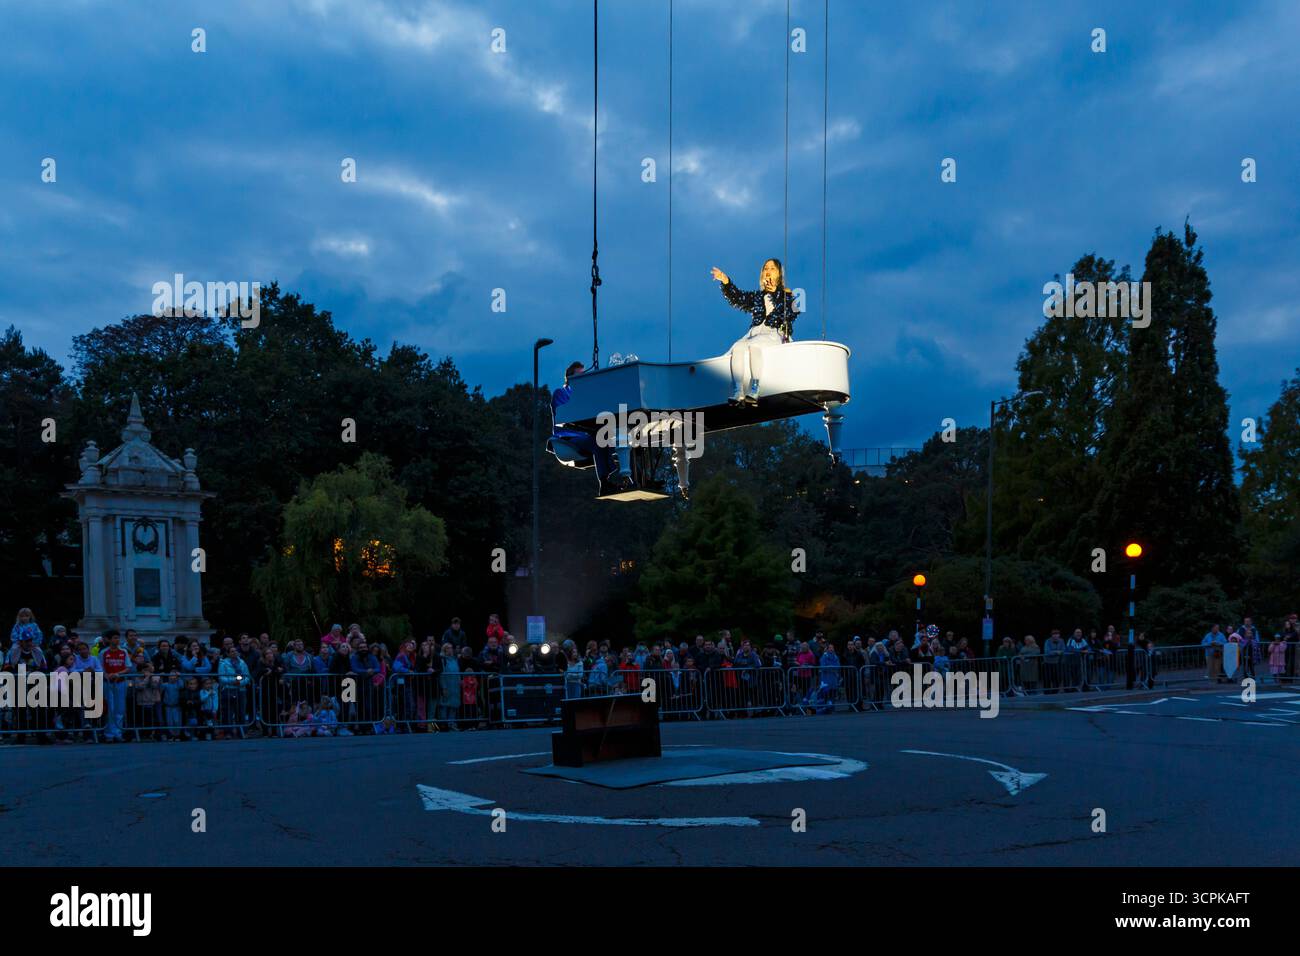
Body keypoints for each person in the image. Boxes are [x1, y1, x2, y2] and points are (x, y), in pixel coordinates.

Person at [711, 258, 799, 404]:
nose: (768, 271)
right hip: (755, 333)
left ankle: (755, 388)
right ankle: (738, 391)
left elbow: (793, 313)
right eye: (765, 268)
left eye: (772, 268)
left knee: (755, 346)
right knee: (738, 346)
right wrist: (726, 281)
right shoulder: (758, 296)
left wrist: (778, 294)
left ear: (779, 274)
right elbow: (738, 298)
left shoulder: (788, 296)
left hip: (773, 334)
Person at [550, 361, 625, 496]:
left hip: (584, 434)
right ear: (570, 378)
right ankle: (605, 482)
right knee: (598, 441)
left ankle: (629, 477)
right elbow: (565, 415)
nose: (583, 378)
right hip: (569, 436)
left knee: (615, 438)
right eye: (580, 375)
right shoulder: (561, 393)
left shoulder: (585, 395)